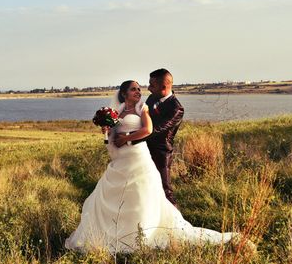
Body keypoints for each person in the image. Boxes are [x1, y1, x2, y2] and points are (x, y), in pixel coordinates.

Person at [64, 79, 242, 254]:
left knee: (141, 194)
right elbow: (112, 137)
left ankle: (143, 234)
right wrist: (106, 131)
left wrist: (126, 138)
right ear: (124, 93)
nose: (138, 92)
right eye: (134, 89)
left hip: (138, 156)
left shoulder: (143, 109)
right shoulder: (117, 112)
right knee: (112, 195)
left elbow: (148, 130)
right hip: (122, 159)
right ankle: (114, 231)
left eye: (139, 89)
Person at [133, 68, 183, 206]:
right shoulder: (152, 98)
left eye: (152, 85)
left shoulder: (176, 108)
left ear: (163, 86)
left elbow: (156, 129)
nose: (148, 88)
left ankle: (176, 222)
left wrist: (130, 138)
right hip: (144, 148)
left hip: (161, 153)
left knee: (165, 189)